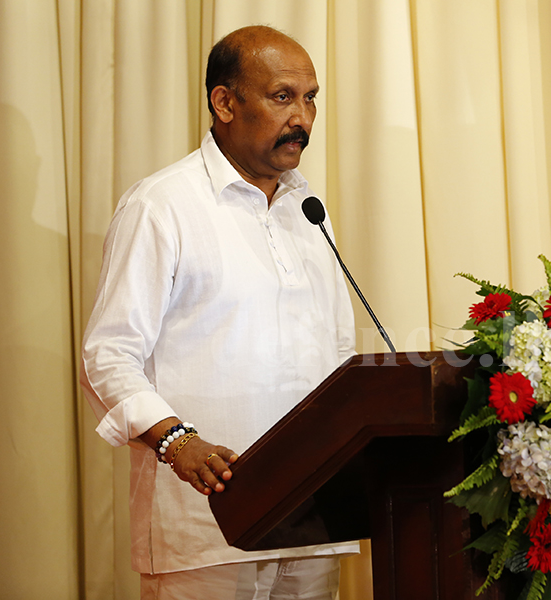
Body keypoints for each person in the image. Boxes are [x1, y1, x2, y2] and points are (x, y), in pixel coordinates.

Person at [81, 26, 356, 599]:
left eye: (311, 98)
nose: (302, 117)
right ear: (225, 102)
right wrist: (177, 441)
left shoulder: (309, 211)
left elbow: (334, 356)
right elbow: (109, 355)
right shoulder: (163, 205)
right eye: (283, 96)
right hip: (202, 534)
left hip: (312, 526)